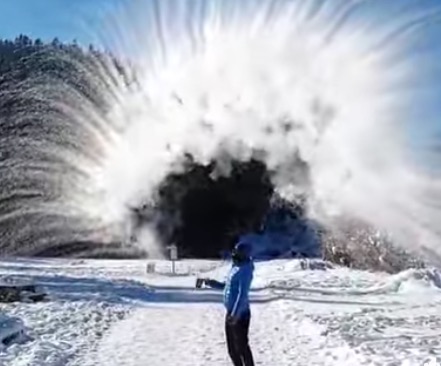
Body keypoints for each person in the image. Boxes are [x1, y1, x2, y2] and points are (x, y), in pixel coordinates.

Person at [199, 241, 255, 366]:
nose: (234, 254)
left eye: (237, 252)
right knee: (232, 350)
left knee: (241, 347)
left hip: (240, 314)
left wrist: (235, 314)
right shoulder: (235, 267)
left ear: (244, 254)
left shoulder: (245, 270)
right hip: (231, 313)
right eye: (234, 251)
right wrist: (211, 283)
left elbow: (242, 295)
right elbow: (227, 286)